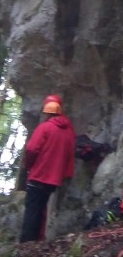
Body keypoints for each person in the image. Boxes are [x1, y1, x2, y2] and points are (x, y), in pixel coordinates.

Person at [19, 94, 76, 243]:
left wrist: (28, 165)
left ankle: (27, 245)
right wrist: (65, 174)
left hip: (38, 175)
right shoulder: (69, 132)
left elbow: (32, 149)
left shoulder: (45, 127)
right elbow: (70, 156)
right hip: (54, 180)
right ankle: (38, 240)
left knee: (32, 210)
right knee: (42, 208)